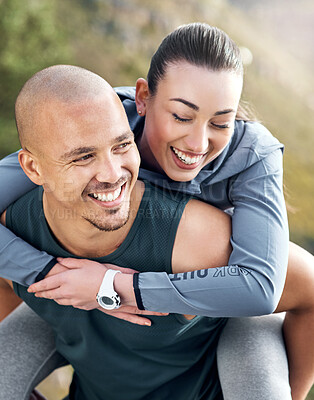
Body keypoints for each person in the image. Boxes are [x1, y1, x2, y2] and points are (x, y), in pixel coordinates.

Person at [0, 23, 313, 399]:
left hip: (219, 305)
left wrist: (114, 288)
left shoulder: (252, 156)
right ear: (143, 98)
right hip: (109, 319)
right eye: (182, 116)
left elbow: (262, 287)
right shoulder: (98, 123)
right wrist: (49, 272)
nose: (198, 143)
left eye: (220, 122)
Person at [2, 63, 246, 399]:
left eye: (121, 145)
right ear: (33, 167)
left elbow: (305, 287)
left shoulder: (197, 238)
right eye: (84, 157)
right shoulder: (15, 228)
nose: (113, 173)